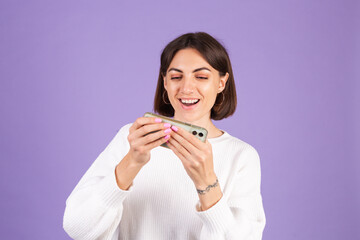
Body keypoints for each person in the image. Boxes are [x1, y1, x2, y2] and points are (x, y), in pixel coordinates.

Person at [63, 32, 266, 240]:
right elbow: (77, 228)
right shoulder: (133, 139)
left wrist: (206, 183)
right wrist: (131, 162)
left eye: (202, 77)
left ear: (222, 83)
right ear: (165, 82)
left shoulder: (241, 156)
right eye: (176, 77)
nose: (186, 88)